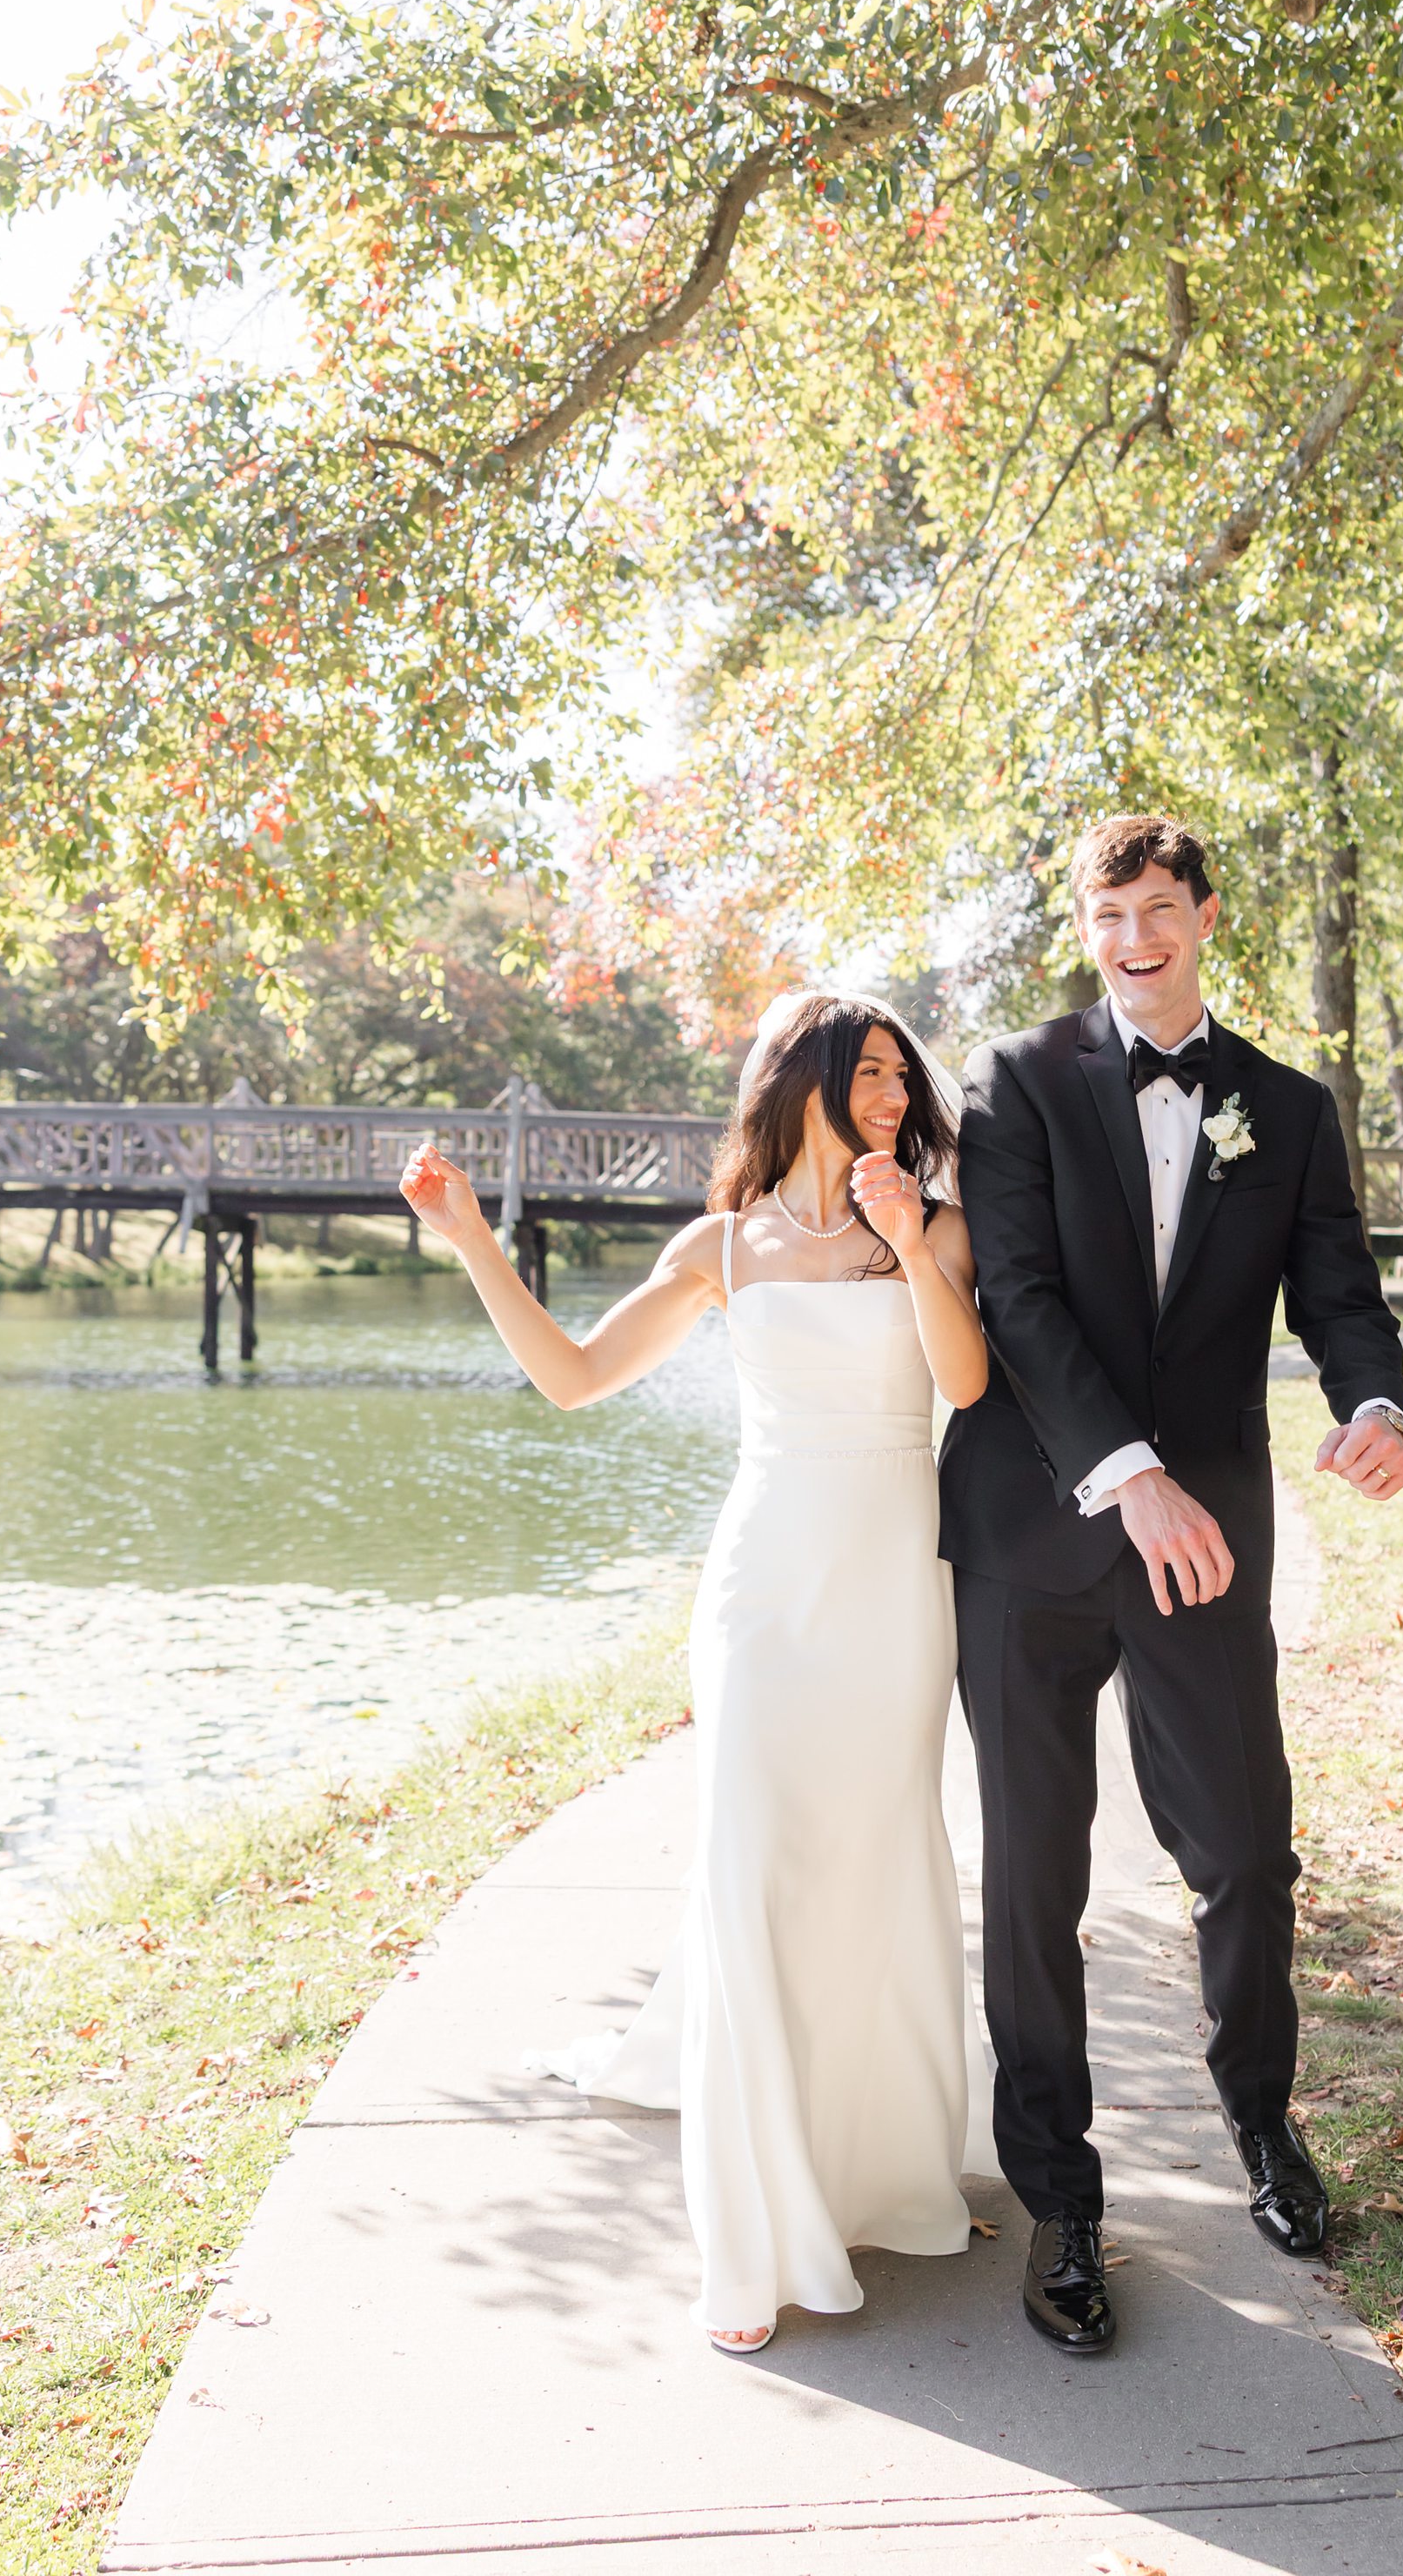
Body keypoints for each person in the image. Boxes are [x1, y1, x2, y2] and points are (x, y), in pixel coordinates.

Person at [399, 994, 993, 2355]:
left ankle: (889, 2175)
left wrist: (908, 1243)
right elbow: (574, 1378)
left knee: (878, 1858)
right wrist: (476, 1241)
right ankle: (756, 2230)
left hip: (901, 1580)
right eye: (870, 1076)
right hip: (764, 1587)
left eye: (905, 1078)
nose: (895, 1099)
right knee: (752, 1875)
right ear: (800, 1085)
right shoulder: (722, 1245)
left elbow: (964, 1388)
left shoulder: (940, 1226)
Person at [939, 813, 1403, 2355]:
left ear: (1205, 916)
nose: (1134, 936)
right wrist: (1121, 1470)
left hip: (1205, 1534)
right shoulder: (1014, 1084)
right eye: (1108, 913)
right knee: (1033, 1875)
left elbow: (1337, 1287)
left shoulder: (1284, 1105)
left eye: (1158, 908)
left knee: (1246, 1847)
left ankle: (1263, 2124)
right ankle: (1063, 2197)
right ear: (1085, 926)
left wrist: (1373, 1405)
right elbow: (1010, 1295)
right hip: (1035, 1530)